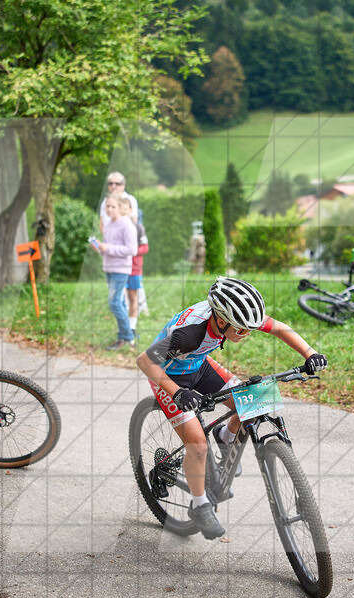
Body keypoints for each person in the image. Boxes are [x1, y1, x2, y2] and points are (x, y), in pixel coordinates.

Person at [135, 277, 328, 539]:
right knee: (198, 444)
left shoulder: (234, 314)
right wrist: (178, 393)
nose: (247, 334)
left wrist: (310, 353)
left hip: (198, 365)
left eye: (250, 329)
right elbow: (145, 361)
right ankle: (200, 504)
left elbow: (280, 328)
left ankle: (225, 435)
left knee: (254, 401)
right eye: (242, 330)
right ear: (222, 320)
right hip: (169, 377)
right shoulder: (188, 334)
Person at [91, 196, 137, 350]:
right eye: (107, 207)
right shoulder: (108, 225)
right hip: (109, 269)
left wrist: (107, 248)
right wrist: (99, 248)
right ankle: (122, 339)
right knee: (120, 303)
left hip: (121, 269)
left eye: (113, 206)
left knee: (115, 303)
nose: (109, 209)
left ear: (120, 207)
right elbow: (107, 250)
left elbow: (132, 250)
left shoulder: (127, 225)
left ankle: (129, 337)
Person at [123, 204, 149, 338]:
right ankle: (123, 328)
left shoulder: (138, 227)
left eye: (126, 209)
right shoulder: (118, 227)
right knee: (120, 299)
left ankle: (132, 328)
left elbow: (145, 248)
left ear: (131, 210)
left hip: (134, 269)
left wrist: (131, 252)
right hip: (119, 268)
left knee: (133, 297)